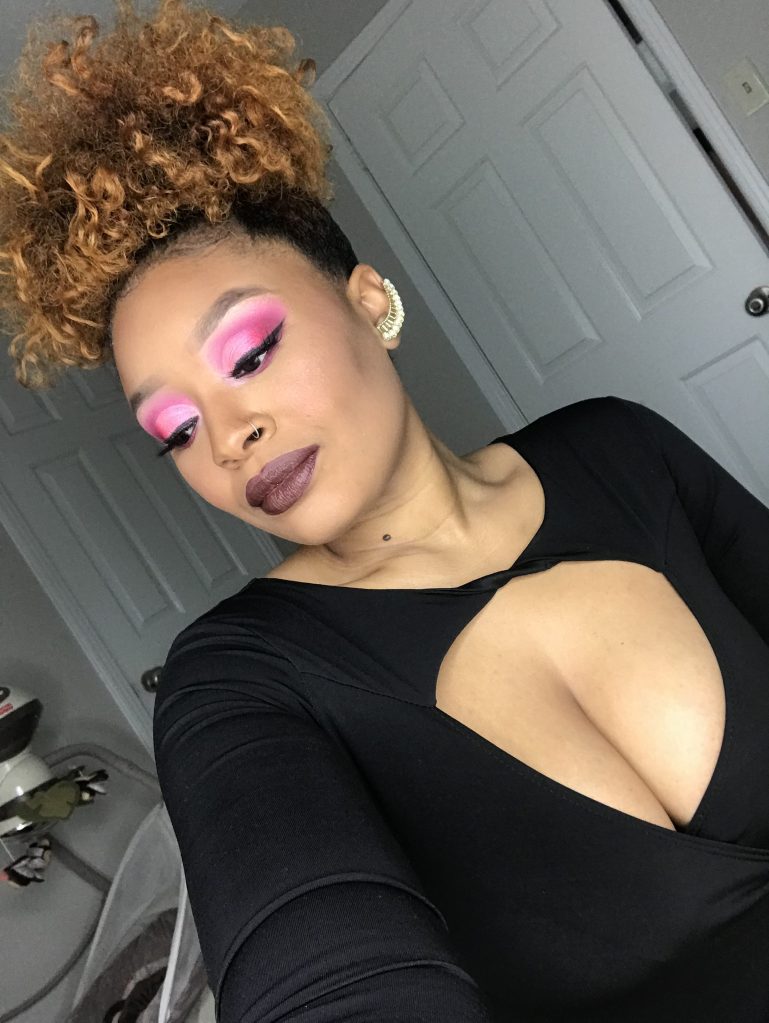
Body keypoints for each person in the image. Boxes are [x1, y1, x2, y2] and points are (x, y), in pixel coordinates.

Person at [1, 1, 768, 1020]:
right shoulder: (235, 679)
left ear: (370, 302)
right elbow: (316, 967)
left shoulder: (622, 450)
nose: (227, 436)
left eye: (249, 353)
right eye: (176, 428)